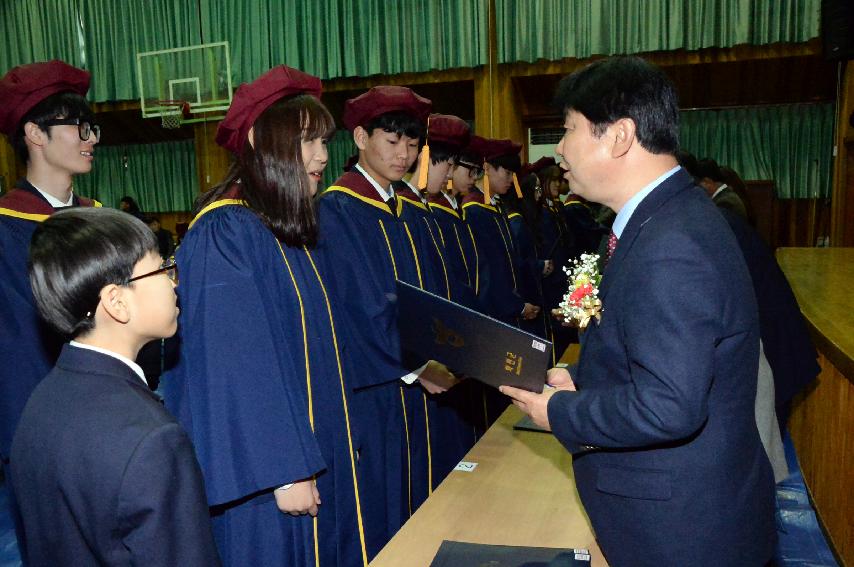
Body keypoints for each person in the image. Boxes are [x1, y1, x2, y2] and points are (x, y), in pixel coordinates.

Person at [501, 57, 776, 567]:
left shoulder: (671, 243)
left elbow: (669, 405)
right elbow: (668, 356)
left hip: (680, 531)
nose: (559, 149)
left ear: (620, 136)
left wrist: (558, 411)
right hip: (686, 510)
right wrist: (582, 379)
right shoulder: (667, 217)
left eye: (569, 130)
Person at [161, 65, 370, 566]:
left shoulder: (283, 229)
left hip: (309, 451)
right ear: (258, 138)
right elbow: (234, 362)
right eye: (306, 141)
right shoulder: (225, 229)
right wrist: (282, 469)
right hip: (267, 477)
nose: (322, 155)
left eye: (323, 141)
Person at [10, 207, 219, 566]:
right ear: (117, 301)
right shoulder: (153, 439)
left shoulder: (41, 401)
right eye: (161, 269)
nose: (173, 281)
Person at [314, 85, 458, 556]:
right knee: (385, 500)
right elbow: (360, 306)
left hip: (418, 375)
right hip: (377, 384)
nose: (404, 154)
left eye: (413, 144)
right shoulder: (338, 208)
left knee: (423, 489)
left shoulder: (405, 208)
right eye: (392, 141)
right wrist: (418, 366)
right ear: (359, 136)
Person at [0, 60, 102, 558]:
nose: (91, 138)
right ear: (35, 135)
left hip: (113, 420)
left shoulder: (102, 221)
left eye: (92, 127)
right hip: (40, 428)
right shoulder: (5, 231)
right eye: (77, 127)